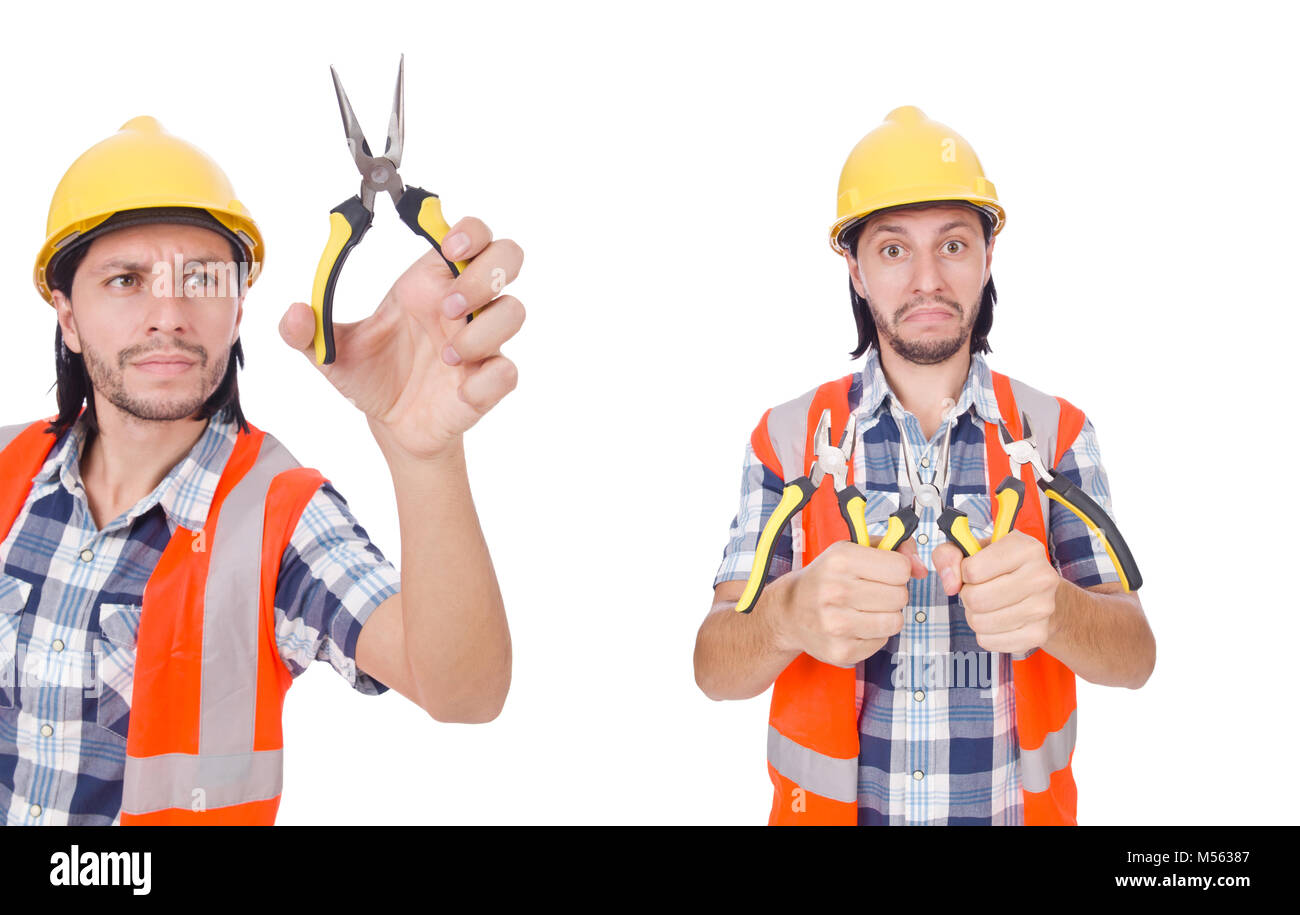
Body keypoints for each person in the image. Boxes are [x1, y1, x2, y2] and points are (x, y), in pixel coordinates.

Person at [0, 116, 524, 825]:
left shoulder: (279, 517)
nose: (169, 313)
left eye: (203, 278)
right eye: (125, 280)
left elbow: (465, 691)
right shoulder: (5, 466)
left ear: (237, 304)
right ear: (66, 315)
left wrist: (422, 454)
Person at [694, 106, 1155, 826]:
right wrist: (785, 617)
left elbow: (1135, 656)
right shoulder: (786, 440)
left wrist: (1058, 611)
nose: (927, 279)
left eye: (953, 244)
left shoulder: (1057, 433)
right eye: (892, 250)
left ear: (987, 255)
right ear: (853, 267)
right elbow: (714, 668)